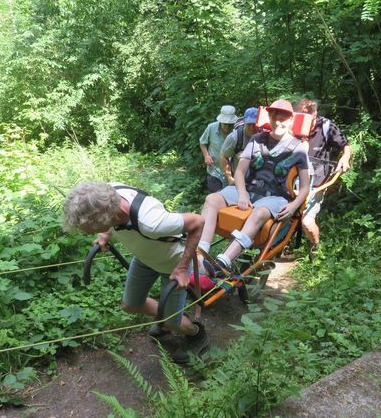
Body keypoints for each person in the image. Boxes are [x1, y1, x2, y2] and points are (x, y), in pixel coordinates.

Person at [62, 181, 208, 364]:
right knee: (130, 305)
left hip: (172, 265)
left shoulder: (151, 222)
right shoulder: (107, 193)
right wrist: (105, 235)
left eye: (91, 229)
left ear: (110, 217)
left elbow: (198, 222)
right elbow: (104, 213)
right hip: (144, 258)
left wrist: (182, 268)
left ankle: (195, 333)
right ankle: (169, 318)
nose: (87, 233)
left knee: (172, 321)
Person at [198, 99, 311, 272]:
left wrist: (293, 206)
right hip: (248, 189)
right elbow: (240, 172)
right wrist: (242, 194)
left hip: (275, 196)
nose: (278, 121)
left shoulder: (299, 148)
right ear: (269, 118)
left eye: (283, 118)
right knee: (212, 199)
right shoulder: (257, 139)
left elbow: (305, 187)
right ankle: (201, 253)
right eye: (274, 116)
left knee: (259, 213)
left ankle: (223, 262)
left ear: (290, 120)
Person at [294, 98, 352, 260]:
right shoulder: (292, 124)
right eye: (299, 117)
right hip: (292, 179)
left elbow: (345, 145)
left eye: (306, 118)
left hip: (317, 182)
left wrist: (345, 158)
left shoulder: (326, 126)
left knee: (307, 221)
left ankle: (315, 249)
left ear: (314, 115)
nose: (302, 122)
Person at [199, 105, 238, 192]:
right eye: (225, 124)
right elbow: (202, 142)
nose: (227, 127)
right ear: (220, 121)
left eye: (230, 124)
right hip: (214, 170)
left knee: (230, 200)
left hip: (232, 173)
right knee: (216, 197)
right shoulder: (211, 127)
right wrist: (206, 155)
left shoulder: (237, 131)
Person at [220, 107, 258, 186]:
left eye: (254, 124)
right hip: (238, 181)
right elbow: (223, 156)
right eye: (249, 124)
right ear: (244, 122)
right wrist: (230, 178)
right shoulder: (234, 137)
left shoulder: (265, 136)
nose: (252, 127)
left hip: (259, 182)